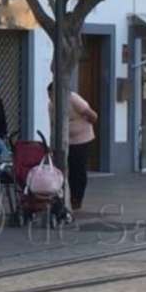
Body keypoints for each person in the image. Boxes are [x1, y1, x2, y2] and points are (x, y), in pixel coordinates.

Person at [48, 83, 98, 211]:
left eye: (52, 95)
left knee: (78, 169)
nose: (51, 98)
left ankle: (77, 198)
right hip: (65, 140)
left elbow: (93, 115)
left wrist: (80, 123)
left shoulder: (73, 99)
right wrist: (52, 144)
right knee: (65, 168)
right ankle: (65, 197)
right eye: (49, 96)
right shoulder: (51, 105)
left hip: (82, 139)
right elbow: (52, 125)